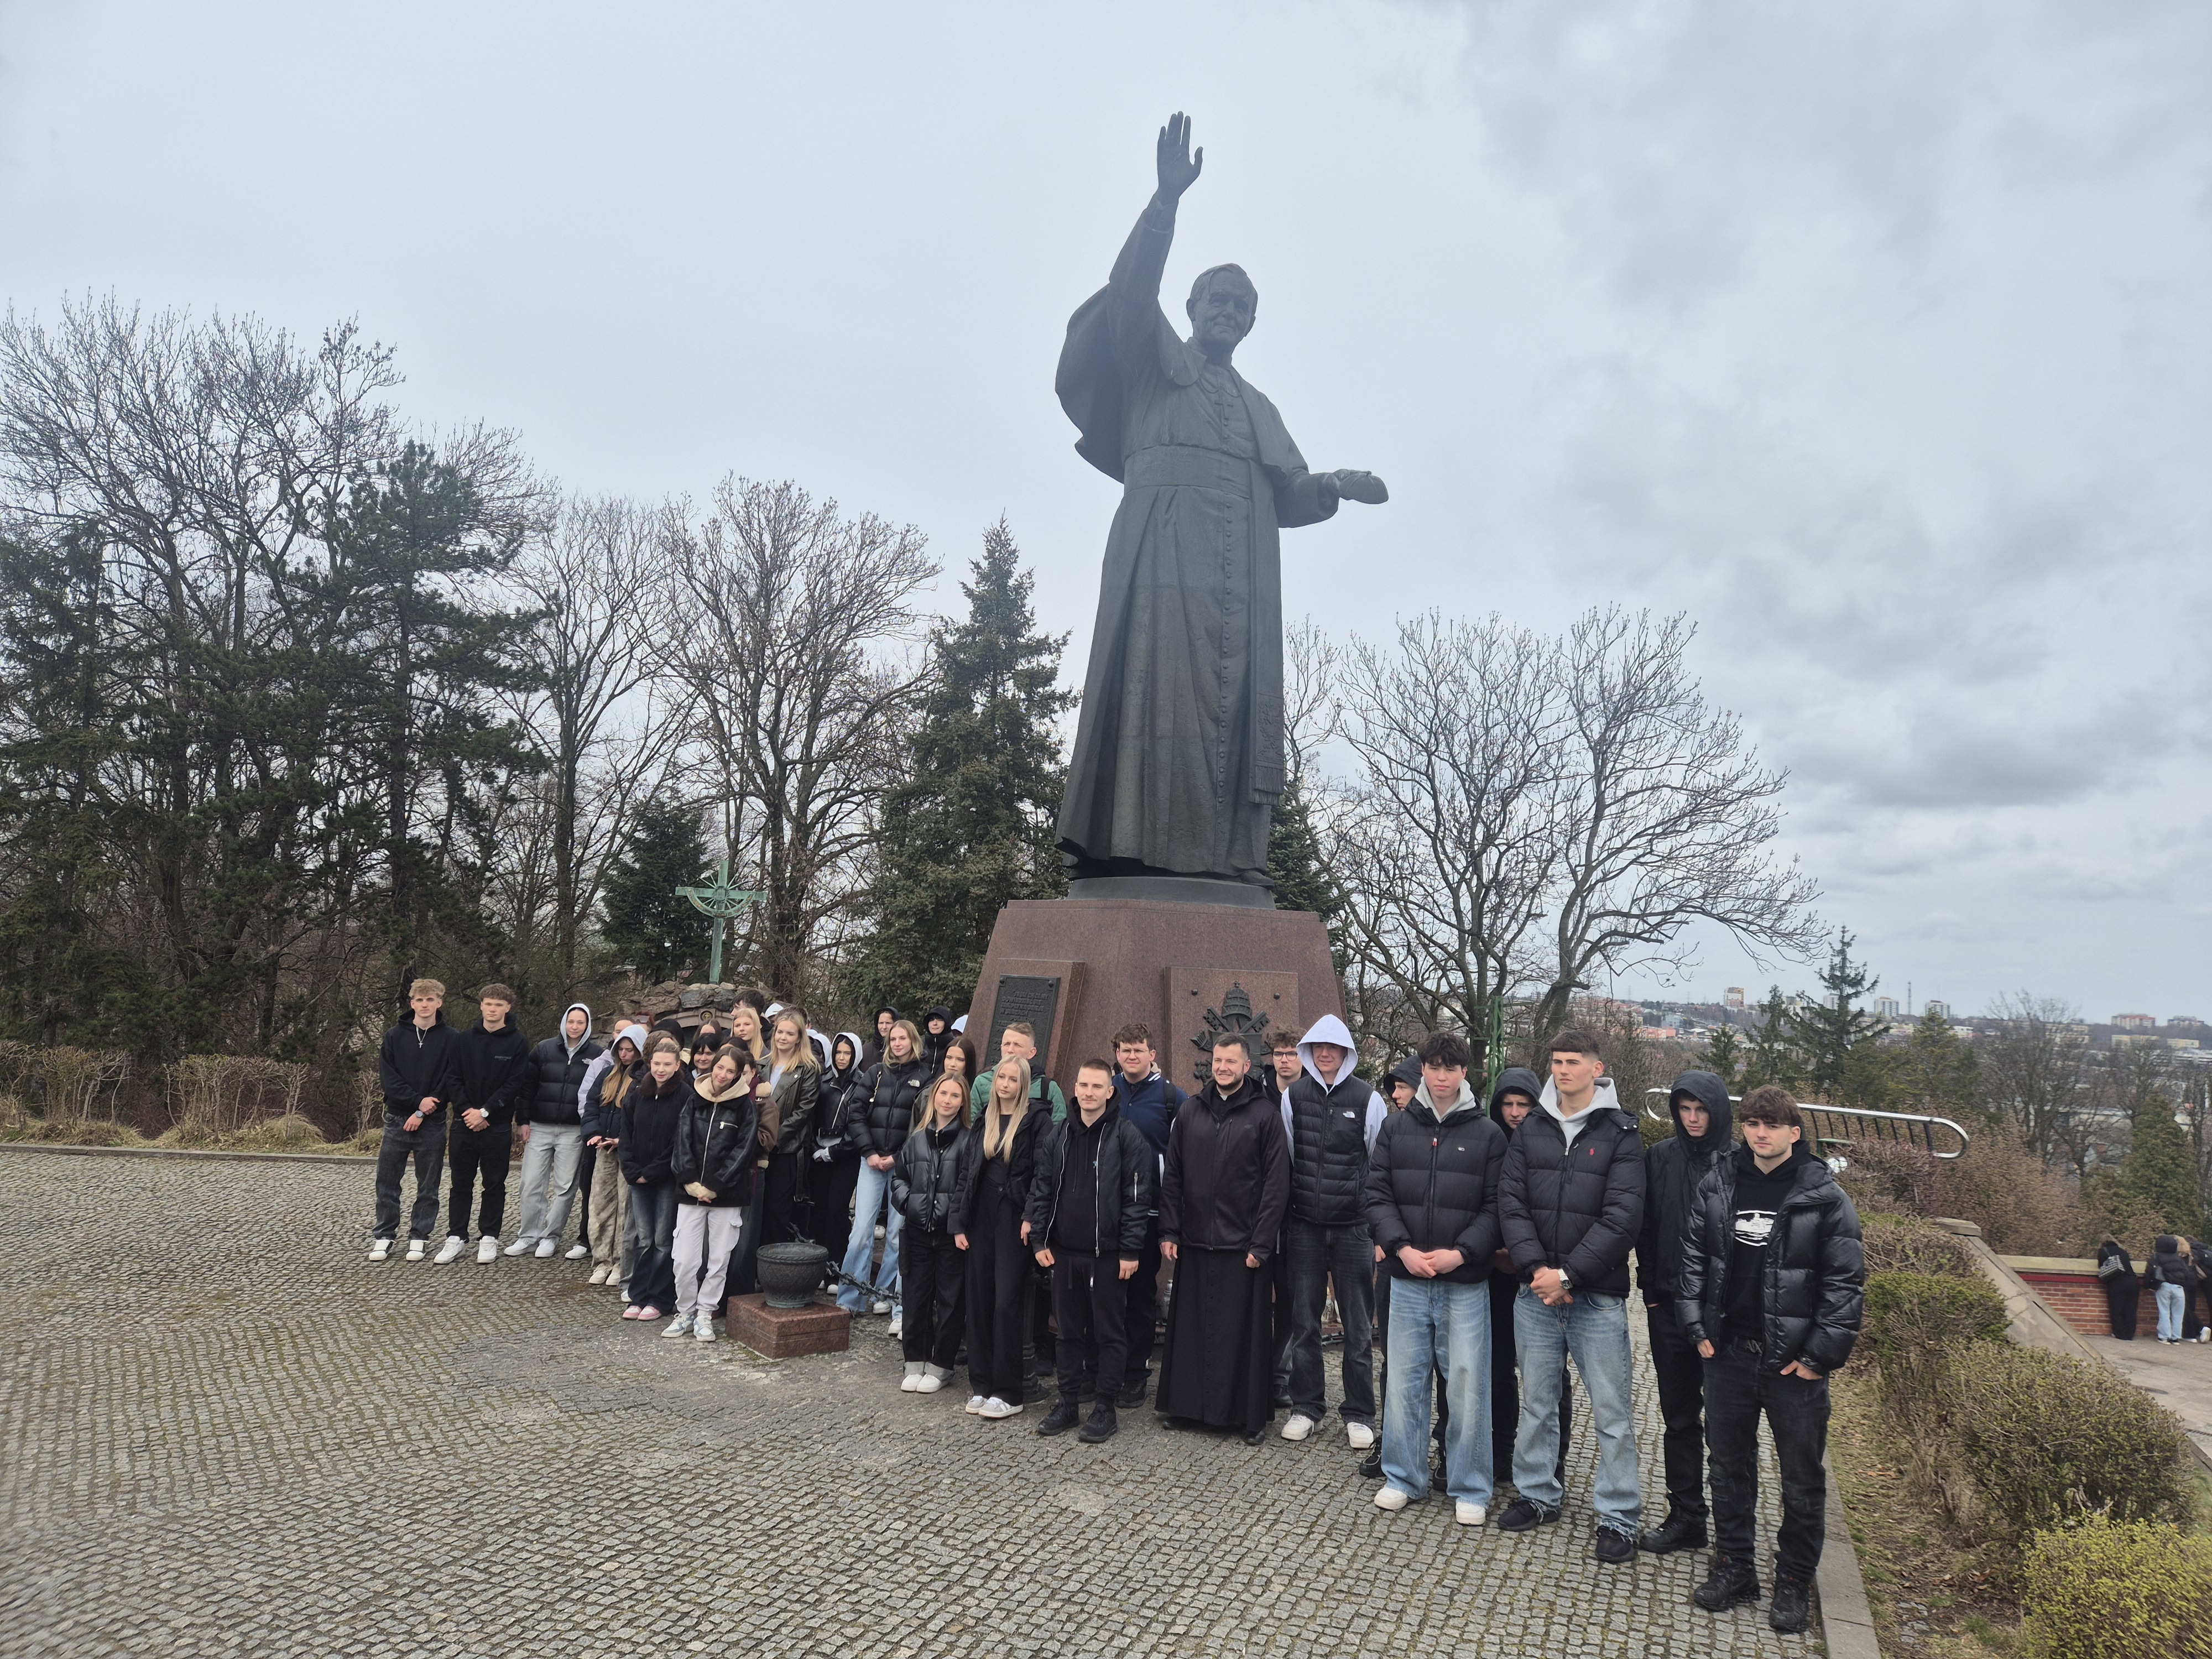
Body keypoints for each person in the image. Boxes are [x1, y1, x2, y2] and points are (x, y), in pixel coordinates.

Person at [1677, 1084, 1865, 1636]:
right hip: (1727, 1355)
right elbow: (1691, 1256)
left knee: (1801, 1480)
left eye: (1771, 1124)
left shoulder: (1824, 1197)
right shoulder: (1719, 1182)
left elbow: (1844, 1285)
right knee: (1728, 1470)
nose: (1760, 1133)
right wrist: (1697, 1329)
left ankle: (1792, 1582)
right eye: (1752, 1123)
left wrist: (1817, 1358)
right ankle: (1735, 1568)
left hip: (1792, 1367)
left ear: (1793, 1133)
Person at [1497, 1028, 1646, 1563]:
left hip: (1597, 1299)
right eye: (1556, 1061)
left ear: (1596, 1067)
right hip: (1535, 1295)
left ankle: (1619, 1515)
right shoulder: (1531, 1128)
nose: (1562, 1070)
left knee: (1611, 1412)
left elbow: (1622, 1218)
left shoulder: (1622, 1132)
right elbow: (1511, 1204)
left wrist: (1570, 1276)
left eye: (1572, 1062)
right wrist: (1539, 1270)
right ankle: (1537, 1495)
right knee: (1537, 1405)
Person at [1363, 1030, 1509, 1522]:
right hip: (1405, 1277)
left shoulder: (1488, 1134)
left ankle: (1470, 1485)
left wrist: (1461, 1253)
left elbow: (1496, 1209)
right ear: (1422, 1069)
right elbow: (1376, 1193)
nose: (1442, 1076)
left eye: (1451, 1068)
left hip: (1463, 1282)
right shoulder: (1397, 1127)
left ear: (1465, 1073)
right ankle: (1403, 1476)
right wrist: (1401, 1248)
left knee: (1467, 1384)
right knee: (1405, 1382)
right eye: (1434, 1067)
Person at [1155, 1032, 1290, 1442]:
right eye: (1217, 1061)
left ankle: (1246, 1419)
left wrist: (1262, 1243)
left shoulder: (1265, 1115)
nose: (1223, 1068)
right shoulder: (1192, 1111)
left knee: (1242, 1338)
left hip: (1243, 1246)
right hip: (1195, 1241)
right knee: (1192, 1332)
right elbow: (1173, 1175)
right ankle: (1185, 1407)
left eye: (1231, 1062)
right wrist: (1169, 1229)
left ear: (1246, 1067)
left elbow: (1276, 1185)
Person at [1028, 1057, 1158, 1444]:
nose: (1088, 1093)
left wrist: (1132, 1250)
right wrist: (1039, 1239)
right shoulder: (1059, 1134)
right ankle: (1068, 1403)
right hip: (1064, 1252)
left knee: (1109, 1334)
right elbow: (1042, 1188)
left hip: (1110, 1255)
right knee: (1068, 1334)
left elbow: (1137, 1200)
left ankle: (1105, 1408)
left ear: (1109, 1092)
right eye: (1083, 1086)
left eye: (1096, 1087)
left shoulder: (1127, 1136)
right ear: (1076, 1089)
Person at [1634, 1070, 1734, 1556]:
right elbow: (1646, 1228)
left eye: (1701, 1110)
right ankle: (1687, 1515)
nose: (1693, 1119)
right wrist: (1651, 1292)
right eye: (1684, 1110)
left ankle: (1734, 1531)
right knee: (1679, 1417)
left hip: (1722, 1317)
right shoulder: (1660, 1158)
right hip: (1669, 1308)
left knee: (1727, 1425)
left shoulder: (1738, 1163)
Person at [1279, 1014, 1386, 1448]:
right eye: (1317, 1047)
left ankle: (1359, 1413)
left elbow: (1378, 1162)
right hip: (1304, 1225)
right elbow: (1289, 1154)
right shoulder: (1294, 1096)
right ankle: (1307, 1406)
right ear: (1309, 1051)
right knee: (1303, 1321)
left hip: (1353, 1229)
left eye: (1333, 1048)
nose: (1325, 1054)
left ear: (1346, 1053)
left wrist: (1376, 1228)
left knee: (1358, 1326)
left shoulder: (1368, 1099)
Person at [1483, 1068, 1573, 1493]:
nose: (1516, 1113)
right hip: (1495, 1271)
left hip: (1541, 1273)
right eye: (1509, 1104)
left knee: (1551, 1375)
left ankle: (1553, 1460)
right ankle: (1502, 1452)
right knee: (1499, 1367)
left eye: (1525, 1105)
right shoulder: (1487, 1140)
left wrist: (1527, 1260)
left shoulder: (1551, 1143)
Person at [953, 1056, 1046, 1421]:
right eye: (1000, 1077)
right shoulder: (983, 1121)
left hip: (1014, 1219)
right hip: (980, 1219)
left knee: (1006, 1303)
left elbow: (1044, 1173)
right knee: (979, 1300)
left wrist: (1030, 1216)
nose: (1004, 1084)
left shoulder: (1036, 1121)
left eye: (1012, 1078)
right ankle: (982, 1384)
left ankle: (1009, 1390)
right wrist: (959, 1222)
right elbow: (967, 1175)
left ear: (1023, 1083)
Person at [1109, 1021, 1186, 1407]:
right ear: (1117, 1053)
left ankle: (1135, 1373)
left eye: (1139, 1049)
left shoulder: (1174, 1099)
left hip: (1149, 1212)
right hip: (1105, 1212)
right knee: (1106, 1295)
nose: (1132, 1056)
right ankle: (1105, 1368)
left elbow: (1182, 1162)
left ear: (1152, 1053)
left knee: (1140, 1296)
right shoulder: (1105, 1090)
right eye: (1125, 1049)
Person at [667, 1045, 760, 1342]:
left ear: (737, 1076)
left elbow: (743, 1151)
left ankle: (705, 1312)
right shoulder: (694, 1099)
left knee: (718, 1259)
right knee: (684, 1260)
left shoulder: (745, 1107)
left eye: (730, 1071)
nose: (723, 1075)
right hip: (690, 1192)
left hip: (727, 1196)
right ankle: (685, 1312)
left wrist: (716, 1186)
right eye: (720, 1068)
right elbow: (681, 1141)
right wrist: (690, 1181)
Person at [435, 983, 532, 1266]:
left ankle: (489, 1237)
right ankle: (456, 1236)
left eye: (498, 1005)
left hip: (498, 1125)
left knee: (494, 1184)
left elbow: (515, 1083)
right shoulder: (463, 1040)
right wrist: (469, 1111)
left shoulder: (517, 1042)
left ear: (508, 1008)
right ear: (481, 1006)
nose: (493, 1009)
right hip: (464, 1123)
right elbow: (452, 1078)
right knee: (460, 1183)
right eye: (488, 1004)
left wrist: (487, 1112)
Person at [839, 1019, 930, 1318]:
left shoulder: (926, 1077)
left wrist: (900, 1156)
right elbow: (855, 1113)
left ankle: (892, 1298)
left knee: (897, 1234)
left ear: (913, 1040)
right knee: (862, 1231)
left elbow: (924, 1126)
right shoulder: (876, 1073)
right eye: (893, 1039)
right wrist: (869, 1151)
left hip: (904, 1166)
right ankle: (850, 1297)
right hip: (872, 1162)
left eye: (903, 1038)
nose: (898, 1044)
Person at [893, 1072, 971, 1393]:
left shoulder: (968, 1140)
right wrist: (909, 1203)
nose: (947, 1100)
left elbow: (968, 1187)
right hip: (917, 1232)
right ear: (933, 1098)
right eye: (943, 1094)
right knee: (916, 1297)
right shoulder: (916, 1139)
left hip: (950, 1235)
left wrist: (955, 1219)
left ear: (963, 1101)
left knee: (950, 1301)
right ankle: (915, 1359)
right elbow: (899, 1178)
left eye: (954, 1095)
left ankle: (942, 1365)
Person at [371, 979, 460, 1262]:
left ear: (440, 1002)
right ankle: (385, 1236)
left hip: (432, 1123)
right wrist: (415, 1102)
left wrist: (424, 1110)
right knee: (387, 1182)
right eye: (420, 1000)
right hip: (397, 1119)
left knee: (429, 1184)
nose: (425, 1005)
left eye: (430, 1000)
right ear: (412, 1003)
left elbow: (452, 1079)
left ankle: (420, 1236)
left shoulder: (452, 1039)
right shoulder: (395, 1036)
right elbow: (389, 1078)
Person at [509, 1003, 602, 1260]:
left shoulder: (597, 1054)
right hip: (540, 1126)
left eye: (580, 1023)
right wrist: (523, 1120)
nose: (574, 1027)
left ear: (588, 1025)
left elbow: (597, 1095)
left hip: (573, 1130)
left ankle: (551, 1237)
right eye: (571, 1021)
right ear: (564, 1023)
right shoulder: (544, 1049)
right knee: (530, 1184)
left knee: (565, 1187)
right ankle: (528, 1236)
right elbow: (527, 1088)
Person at [619, 1036, 690, 1321]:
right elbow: (626, 1134)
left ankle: (660, 1298)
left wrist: (654, 1171)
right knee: (643, 1238)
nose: (660, 1069)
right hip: (638, 1177)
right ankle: (639, 1295)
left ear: (677, 1066)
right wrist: (633, 1170)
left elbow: (680, 1141)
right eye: (656, 1064)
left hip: (665, 1179)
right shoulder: (637, 1092)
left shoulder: (685, 1095)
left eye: (667, 1065)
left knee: (663, 1240)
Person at [576, 1024, 648, 1290]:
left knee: (625, 1207)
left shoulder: (644, 1078)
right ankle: (601, 1260)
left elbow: (641, 1118)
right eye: (622, 1050)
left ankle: (620, 1262)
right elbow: (592, 1105)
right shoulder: (607, 1073)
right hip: (604, 1149)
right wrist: (593, 1132)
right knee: (600, 1204)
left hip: (628, 1151)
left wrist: (624, 1141)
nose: (626, 1055)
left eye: (631, 1050)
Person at [808, 1031, 869, 1276]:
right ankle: (819, 1264)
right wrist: (815, 1148)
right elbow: (812, 1116)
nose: (842, 1058)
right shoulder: (824, 1080)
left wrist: (834, 1151)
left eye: (847, 1053)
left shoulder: (863, 1083)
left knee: (837, 1209)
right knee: (820, 1208)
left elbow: (859, 1123)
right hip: (818, 1150)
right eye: (838, 1052)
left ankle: (836, 1265)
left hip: (846, 1155)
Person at [760, 1009, 821, 1247]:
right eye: (779, 1032)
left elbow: (803, 1112)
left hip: (785, 1149)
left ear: (799, 1037)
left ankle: (773, 1268)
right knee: (758, 1211)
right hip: (758, 1148)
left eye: (789, 1033)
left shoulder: (809, 1068)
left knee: (777, 1211)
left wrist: (772, 1138)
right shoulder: (762, 1064)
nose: (782, 1037)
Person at [971, 1022, 1067, 1123]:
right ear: (1001, 1048)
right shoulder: (982, 1082)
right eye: (1007, 1044)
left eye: (1017, 1045)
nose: (1010, 1050)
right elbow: (972, 1125)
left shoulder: (1049, 1089)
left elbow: (1058, 1130)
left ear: (1032, 1053)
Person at [2147, 1235, 2196, 1345]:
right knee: (2178, 1315)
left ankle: (2164, 1337)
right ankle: (2175, 1338)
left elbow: (2150, 1271)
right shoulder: (2178, 1258)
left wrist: (2149, 1285)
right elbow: (2187, 1273)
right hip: (2179, 1288)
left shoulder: (2156, 1256)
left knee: (2164, 1312)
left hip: (2164, 1286)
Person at [2095, 1236, 2140, 1340]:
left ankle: (2120, 1334)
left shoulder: (2103, 1251)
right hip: (2133, 1281)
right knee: (2131, 1310)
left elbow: (2101, 1267)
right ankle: (2130, 1335)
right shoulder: (2123, 1251)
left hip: (2118, 1283)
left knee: (2117, 1310)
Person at [941, 1032, 981, 1102]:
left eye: (960, 1060)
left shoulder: (977, 1095)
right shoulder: (927, 1093)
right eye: (949, 1058)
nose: (953, 1064)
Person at [861, 1005, 898, 1070]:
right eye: (881, 1023)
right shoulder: (865, 1051)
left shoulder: (900, 1049)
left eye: (888, 1023)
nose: (884, 1027)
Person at [921, 1006, 955, 1073]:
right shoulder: (920, 1044)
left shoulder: (954, 1045)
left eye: (940, 1020)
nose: (935, 1023)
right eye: (931, 1020)